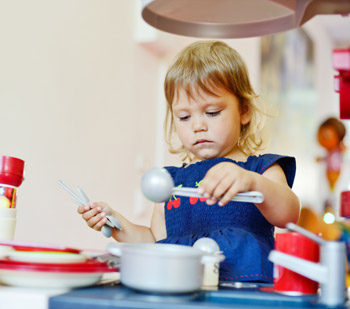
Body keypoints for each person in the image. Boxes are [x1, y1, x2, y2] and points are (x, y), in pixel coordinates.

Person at [78, 41, 300, 283]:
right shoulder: (171, 183)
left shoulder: (261, 169)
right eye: (184, 117)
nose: (198, 126)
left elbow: (288, 214)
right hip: (182, 292)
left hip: (247, 294)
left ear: (244, 111)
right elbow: (156, 241)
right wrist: (117, 224)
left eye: (212, 112)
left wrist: (252, 182)